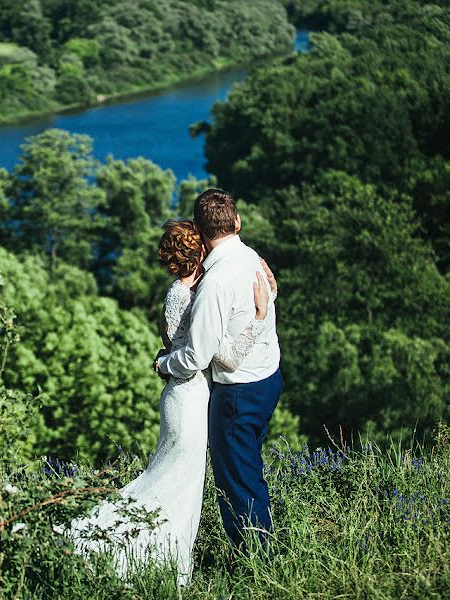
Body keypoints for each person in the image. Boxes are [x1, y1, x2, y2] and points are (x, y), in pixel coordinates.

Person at [65, 218, 275, 585]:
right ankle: (142, 556)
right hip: (188, 398)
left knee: (181, 482)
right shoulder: (190, 294)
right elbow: (214, 356)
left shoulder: (201, 290)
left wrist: (266, 296)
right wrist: (260, 315)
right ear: (201, 250)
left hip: (193, 395)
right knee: (173, 480)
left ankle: (162, 558)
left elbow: (184, 345)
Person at [155, 188, 282, 555]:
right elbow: (261, 298)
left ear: (199, 228)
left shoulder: (213, 283)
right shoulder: (253, 258)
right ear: (237, 222)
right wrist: (267, 303)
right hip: (269, 379)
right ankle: (264, 549)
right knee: (249, 470)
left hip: (237, 394)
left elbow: (200, 357)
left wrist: (163, 363)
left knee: (237, 482)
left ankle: (259, 562)